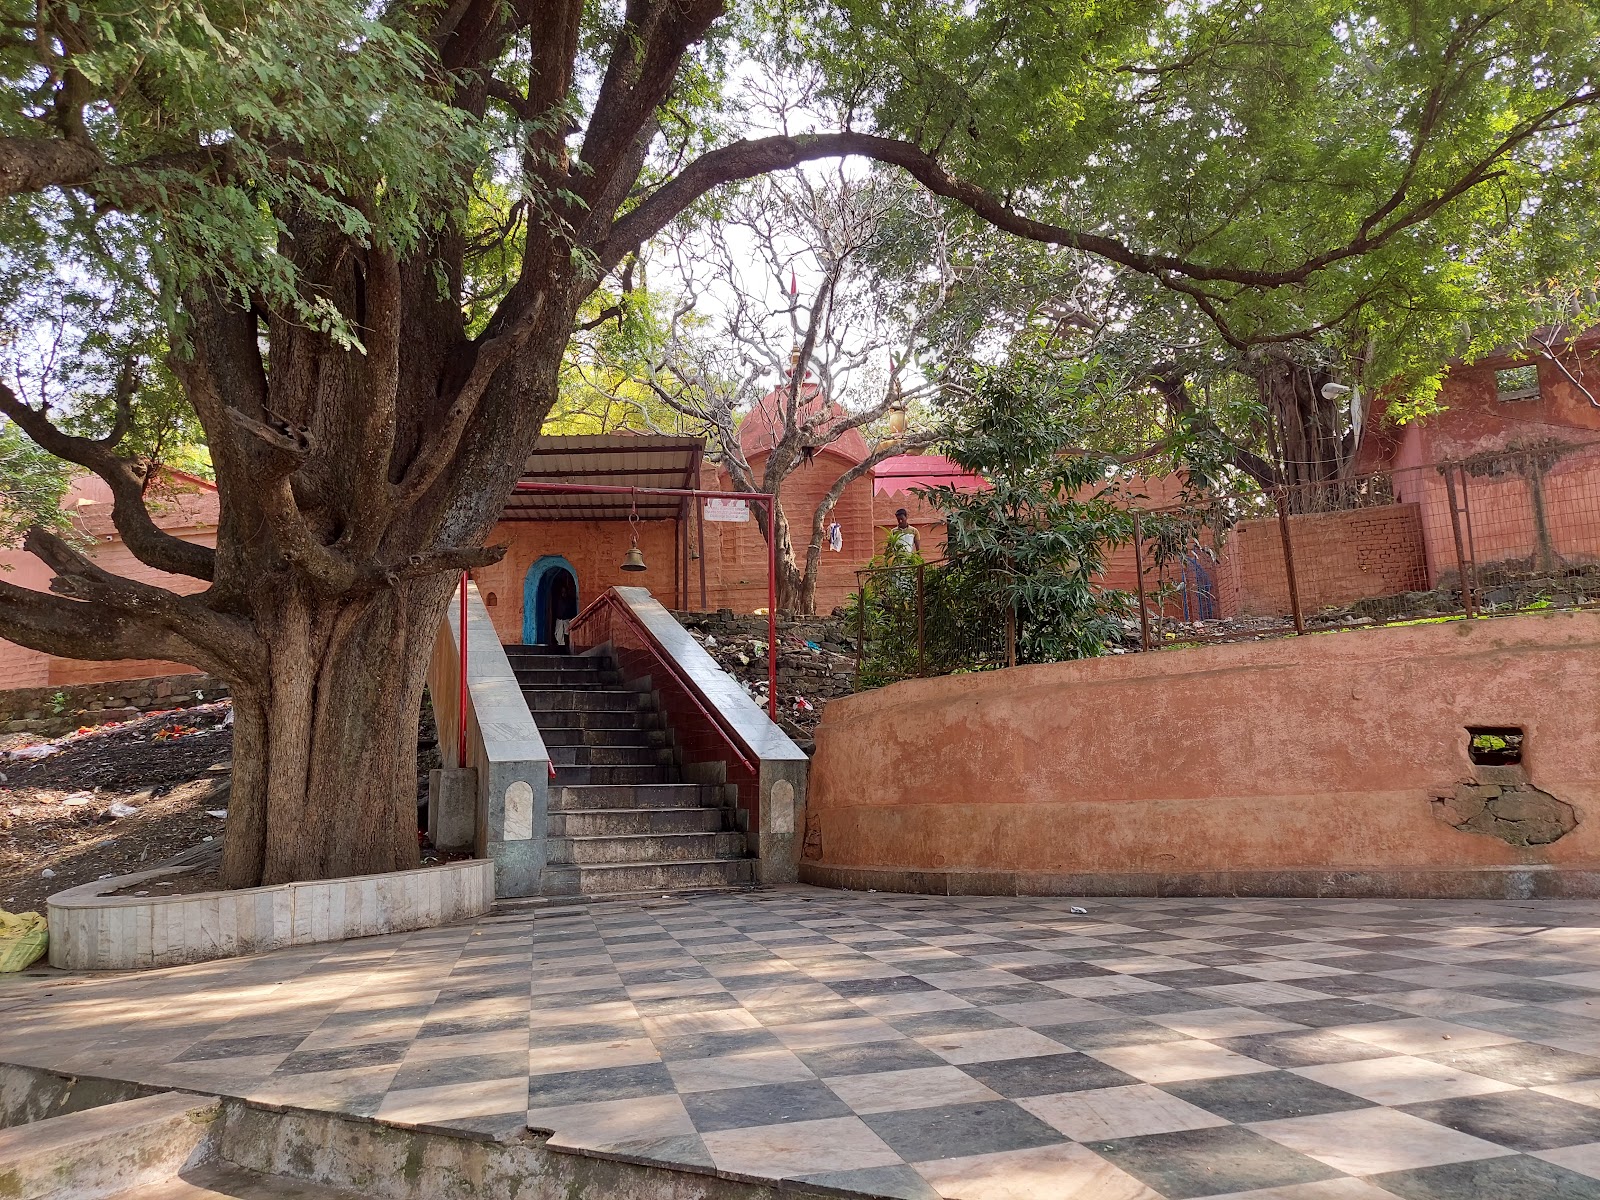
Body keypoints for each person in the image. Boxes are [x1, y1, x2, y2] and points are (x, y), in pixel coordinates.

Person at [550, 572, 578, 651]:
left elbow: (571, 610)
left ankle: (566, 648)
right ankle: (561, 648)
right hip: (559, 619)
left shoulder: (570, 600)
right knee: (558, 634)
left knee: (567, 634)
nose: (564, 594)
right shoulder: (558, 600)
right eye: (562, 592)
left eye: (565, 592)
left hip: (567, 619)